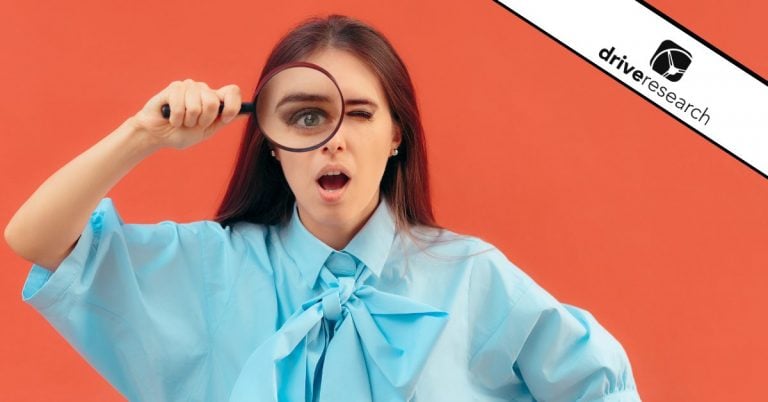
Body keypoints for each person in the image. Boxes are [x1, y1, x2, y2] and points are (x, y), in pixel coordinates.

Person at [5, 14, 642, 402]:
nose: (332, 136)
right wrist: (144, 134)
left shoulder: (472, 277)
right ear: (275, 146)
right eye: (304, 116)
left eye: (358, 113)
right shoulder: (210, 267)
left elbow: (600, 385)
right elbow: (35, 238)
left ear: (396, 136)